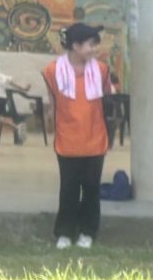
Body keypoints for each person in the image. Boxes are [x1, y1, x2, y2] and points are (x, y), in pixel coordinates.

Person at [44, 22, 112, 251]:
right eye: (91, 44)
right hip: (67, 140)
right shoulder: (52, 71)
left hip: (95, 139)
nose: (95, 49)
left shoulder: (101, 70)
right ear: (75, 45)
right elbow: (52, 102)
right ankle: (64, 232)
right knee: (69, 188)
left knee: (92, 188)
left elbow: (104, 99)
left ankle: (88, 231)